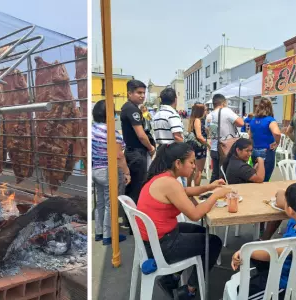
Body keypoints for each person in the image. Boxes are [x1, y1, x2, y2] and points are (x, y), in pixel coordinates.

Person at [136, 143, 229, 298]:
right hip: (162, 246)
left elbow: (185, 191)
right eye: (191, 162)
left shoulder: (163, 178)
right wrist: (216, 195)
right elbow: (195, 214)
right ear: (178, 163)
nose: (194, 166)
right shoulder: (170, 183)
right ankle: (189, 290)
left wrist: (209, 187)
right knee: (213, 242)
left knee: (202, 232)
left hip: (157, 239)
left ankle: (171, 279)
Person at [231, 182, 296, 298]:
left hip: (283, 283)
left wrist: (242, 252)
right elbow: (280, 194)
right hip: (281, 267)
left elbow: (271, 253)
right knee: (258, 245)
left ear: (290, 210)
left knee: (243, 291)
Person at [92, 100, 130, 245]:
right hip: (108, 171)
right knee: (110, 204)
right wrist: (127, 173)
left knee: (100, 202)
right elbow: (119, 156)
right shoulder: (112, 133)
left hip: (95, 170)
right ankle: (109, 236)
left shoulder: (92, 129)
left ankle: (99, 232)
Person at [120, 80, 155, 209]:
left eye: (144, 93)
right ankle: (133, 222)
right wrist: (151, 148)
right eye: (139, 92)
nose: (142, 95)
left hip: (134, 152)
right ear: (129, 93)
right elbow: (141, 135)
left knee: (135, 187)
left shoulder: (132, 108)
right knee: (137, 188)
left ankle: (131, 219)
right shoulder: (131, 109)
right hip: (137, 153)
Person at [206, 94, 244, 183]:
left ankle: (211, 191)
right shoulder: (226, 111)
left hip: (215, 147)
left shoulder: (209, 116)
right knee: (227, 173)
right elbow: (241, 123)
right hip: (227, 148)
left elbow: (208, 131)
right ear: (223, 103)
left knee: (216, 173)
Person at [248, 98, 281, 182]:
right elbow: (277, 133)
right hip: (266, 151)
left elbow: (250, 137)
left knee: (257, 177)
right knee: (265, 179)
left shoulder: (253, 120)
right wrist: (276, 142)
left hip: (255, 151)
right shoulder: (270, 120)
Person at [187, 103, 209, 187]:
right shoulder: (198, 120)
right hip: (200, 148)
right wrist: (207, 145)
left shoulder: (193, 120)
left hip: (194, 147)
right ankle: (196, 190)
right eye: (205, 110)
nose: (206, 112)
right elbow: (199, 136)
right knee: (199, 171)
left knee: (192, 170)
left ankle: (189, 188)